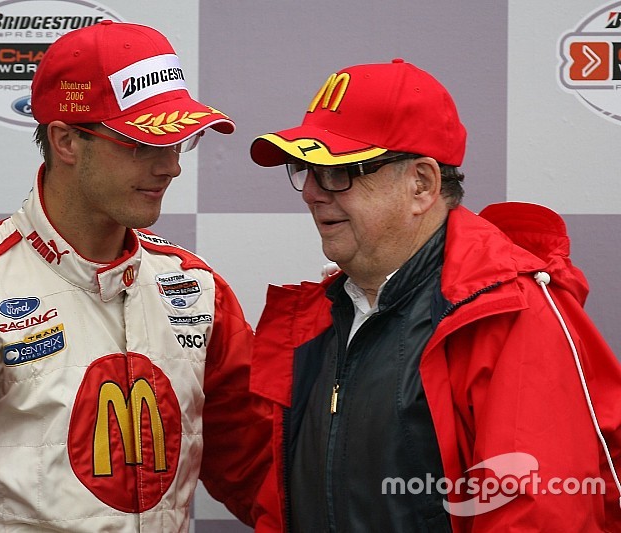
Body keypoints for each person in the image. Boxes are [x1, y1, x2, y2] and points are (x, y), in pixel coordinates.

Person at [0, 21, 271, 532]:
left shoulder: (195, 289)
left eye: (178, 143)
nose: (170, 168)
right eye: (142, 145)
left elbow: (260, 470)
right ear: (66, 140)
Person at [247, 58, 621, 531]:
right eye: (306, 169)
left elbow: (539, 517)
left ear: (421, 184)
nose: (312, 193)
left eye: (338, 171)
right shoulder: (316, 317)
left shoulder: (507, 314)